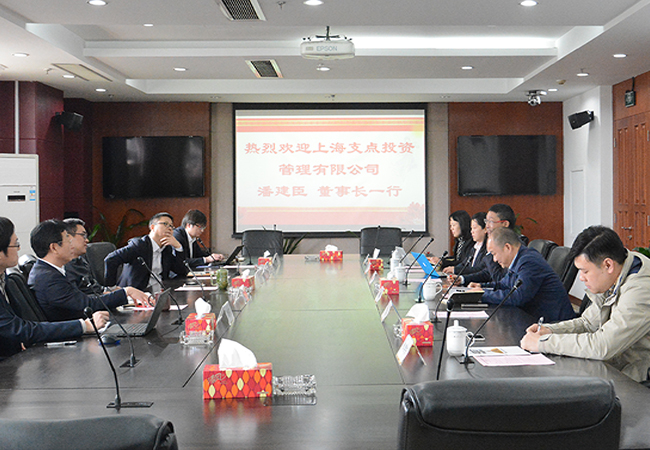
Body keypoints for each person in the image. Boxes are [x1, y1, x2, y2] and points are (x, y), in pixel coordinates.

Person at [521, 226, 650, 382]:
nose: (581, 278)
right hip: (614, 364)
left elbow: (603, 346)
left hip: (638, 378)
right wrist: (550, 331)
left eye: (585, 271)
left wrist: (543, 343)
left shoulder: (641, 289)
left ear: (608, 265)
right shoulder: (616, 272)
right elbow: (588, 323)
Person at [0, 217, 109, 359]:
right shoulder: (45, 277)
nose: (19, 248)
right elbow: (19, 329)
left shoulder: (4, 279)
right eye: (15, 244)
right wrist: (84, 326)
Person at [28, 219, 152, 322]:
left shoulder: (50, 271)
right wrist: (125, 292)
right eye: (68, 241)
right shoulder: (48, 277)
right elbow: (86, 304)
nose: (71, 245)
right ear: (54, 247)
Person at [469, 227, 575, 322]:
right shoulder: (519, 258)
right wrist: (481, 287)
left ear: (507, 247)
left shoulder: (529, 262)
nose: (494, 260)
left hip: (552, 324)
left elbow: (517, 297)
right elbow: (504, 284)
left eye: (494, 254)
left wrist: (482, 294)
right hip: (534, 319)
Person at [104, 212, 188, 291]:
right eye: (165, 224)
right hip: (136, 294)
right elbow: (111, 259)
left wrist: (178, 247)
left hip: (159, 292)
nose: (169, 228)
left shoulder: (166, 249)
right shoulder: (139, 246)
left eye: (171, 226)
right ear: (152, 227)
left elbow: (181, 271)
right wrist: (112, 288)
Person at [457, 203, 518, 286]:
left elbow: (500, 279)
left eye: (491, 222)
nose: (487, 226)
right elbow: (487, 273)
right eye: (486, 221)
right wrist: (462, 279)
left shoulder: (512, 248)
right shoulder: (496, 244)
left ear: (505, 224)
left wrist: (490, 253)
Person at [63, 218, 111, 295]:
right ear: (68, 237)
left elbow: (95, 288)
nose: (87, 240)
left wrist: (113, 292)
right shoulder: (63, 267)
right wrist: (108, 297)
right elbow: (78, 298)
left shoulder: (81, 261)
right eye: (83, 235)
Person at [444, 212, 489, 276]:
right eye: (471, 228)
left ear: (485, 229)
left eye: (474, 228)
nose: (472, 231)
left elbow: (479, 270)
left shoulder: (488, 248)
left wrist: (456, 270)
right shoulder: (475, 247)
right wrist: (453, 269)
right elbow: (464, 263)